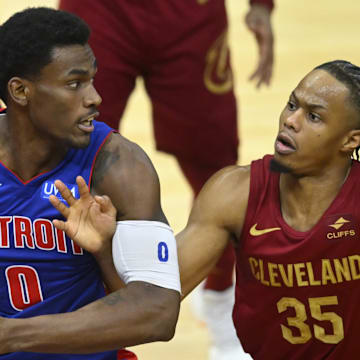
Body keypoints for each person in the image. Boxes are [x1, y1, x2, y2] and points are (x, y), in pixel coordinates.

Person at [2, 59, 359, 359]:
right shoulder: (234, 193)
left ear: (351, 140)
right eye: (293, 104)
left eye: (314, 117)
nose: (291, 120)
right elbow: (152, 306)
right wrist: (106, 252)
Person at [57, 1, 274, 358]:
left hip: (189, 14)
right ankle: (84, 311)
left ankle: (221, 302)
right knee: (78, 163)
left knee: (214, 167)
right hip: (100, 11)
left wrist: (261, 5)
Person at [0, 7, 181, 359]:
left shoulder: (118, 163)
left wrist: (105, 255)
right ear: (21, 91)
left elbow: (159, 311)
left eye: (92, 80)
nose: (95, 98)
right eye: (74, 83)